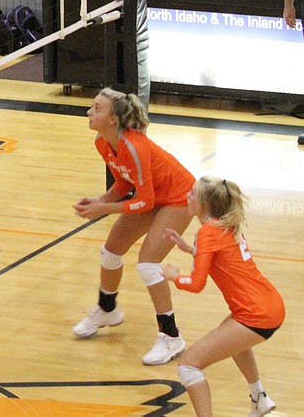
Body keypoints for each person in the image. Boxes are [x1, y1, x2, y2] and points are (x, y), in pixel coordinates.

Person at [72, 87, 195, 366]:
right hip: (154, 196)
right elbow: (126, 183)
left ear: (113, 120)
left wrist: (103, 209)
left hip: (179, 198)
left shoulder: (134, 146)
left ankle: (171, 337)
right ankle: (107, 309)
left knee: (148, 263)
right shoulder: (103, 143)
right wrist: (102, 198)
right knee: (111, 251)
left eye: (97, 108)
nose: (89, 112)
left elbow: (145, 200)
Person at [162, 176, 283, 417]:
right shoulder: (225, 225)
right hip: (270, 305)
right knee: (232, 339)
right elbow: (220, 256)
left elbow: (196, 284)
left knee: (188, 366)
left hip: (255, 314)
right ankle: (259, 398)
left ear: (204, 204)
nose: (188, 196)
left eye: (193, 194)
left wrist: (174, 277)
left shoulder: (207, 232)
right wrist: (190, 249)